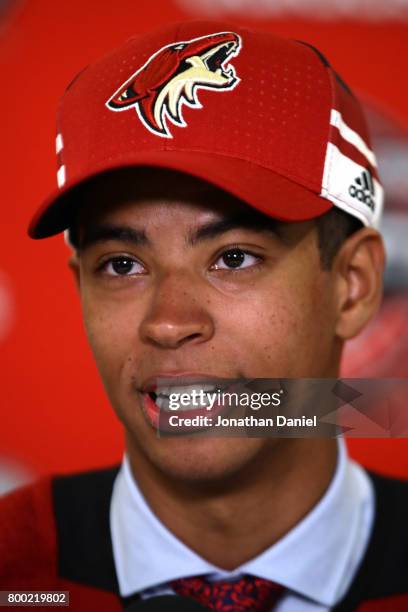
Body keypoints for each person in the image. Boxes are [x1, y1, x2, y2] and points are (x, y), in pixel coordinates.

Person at [1, 20, 407, 612]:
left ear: (353, 286)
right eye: (121, 265)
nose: (169, 322)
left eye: (234, 258)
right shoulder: (15, 567)